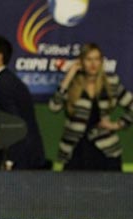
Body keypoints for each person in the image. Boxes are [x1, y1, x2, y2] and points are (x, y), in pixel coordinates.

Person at [48, 43, 133, 171]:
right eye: (88, 59)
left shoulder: (111, 82)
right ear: (81, 62)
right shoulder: (72, 83)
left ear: (101, 61)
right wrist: (69, 76)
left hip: (105, 148)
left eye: (97, 59)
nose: (93, 64)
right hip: (75, 150)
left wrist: (117, 125)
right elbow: (54, 107)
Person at [0, 35, 47, 170]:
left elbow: (13, 124)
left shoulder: (2, 84)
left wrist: (10, 160)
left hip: (20, 159)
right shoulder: (4, 81)